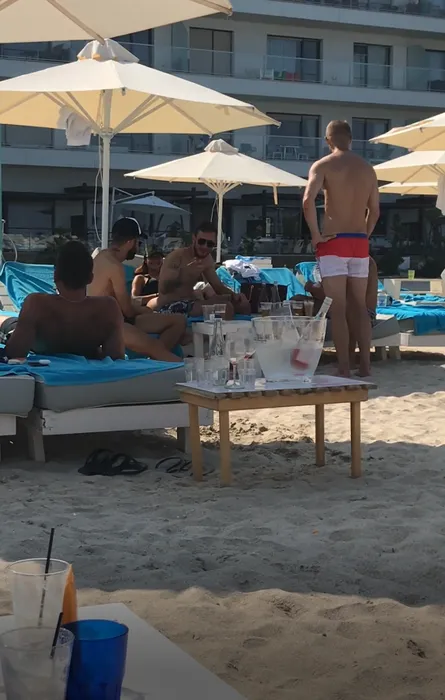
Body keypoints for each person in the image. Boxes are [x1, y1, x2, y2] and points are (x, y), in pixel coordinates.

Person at [303, 120, 380, 377]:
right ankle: (365, 365)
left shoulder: (323, 165)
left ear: (328, 140)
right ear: (351, 139)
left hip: (334, 241)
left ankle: (344, 367)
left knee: (337, 308)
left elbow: (307, 201)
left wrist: (316, 234)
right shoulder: (368, 169)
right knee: (360, 307)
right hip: (359, 241)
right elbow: (375, 211)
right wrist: (364, 235)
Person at [0, 241, 125, 360]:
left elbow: (15, 353)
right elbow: (116, 358)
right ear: (90, 278)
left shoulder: (37, 304)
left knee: (7, 321)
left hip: (25, 334)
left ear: (55, 276)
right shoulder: (108, 308)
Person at [88, 218, 186, 362]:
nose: (138, 247)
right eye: (138, 243)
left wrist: (145, 311)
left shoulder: (101, 257)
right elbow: (127, 311)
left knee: (178, 321)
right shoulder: (115, 266)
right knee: (155, 345)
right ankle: (186, 370)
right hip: (106, 325)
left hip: (108, 319)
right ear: (130, 242)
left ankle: (154, 361)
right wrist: (145, 310)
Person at [152, 221, 250, 318]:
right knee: (226, 308)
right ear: (194, 239)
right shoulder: (177, 257)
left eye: (210, 244)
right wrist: (184, 273)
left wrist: (235, 295)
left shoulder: (206, 259)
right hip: (168, 306)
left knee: (242, 305)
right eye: (201, 242)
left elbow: (217, 287)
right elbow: (164, 289)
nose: (205, 247)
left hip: (190, 303)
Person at [295, 257, 378, 366]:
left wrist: (313, 288)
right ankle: (299, 349)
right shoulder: (350, 259)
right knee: (297, 302)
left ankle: (349, 360)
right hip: (346, 305)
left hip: (358, 309)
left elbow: (342, 297)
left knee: (348, 312)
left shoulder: (355, 261)